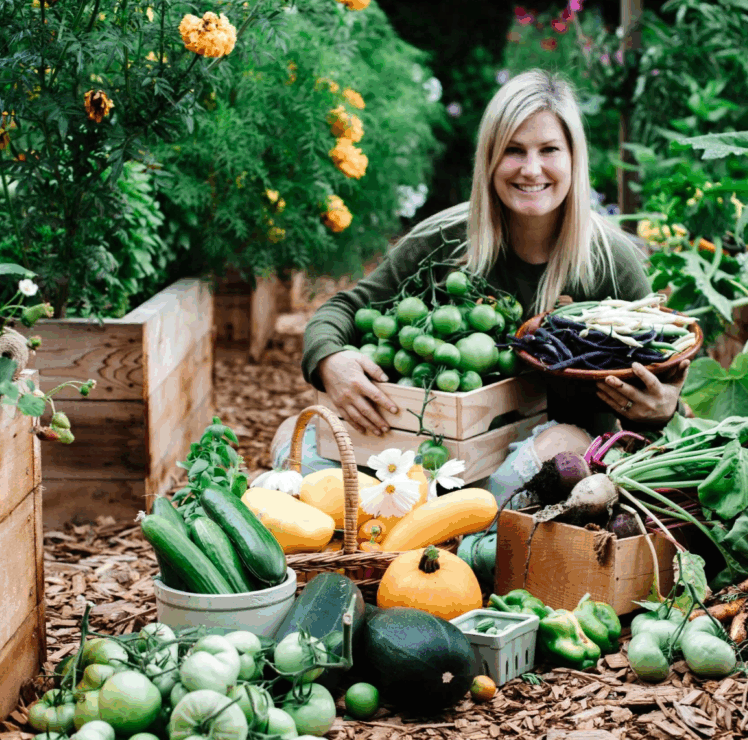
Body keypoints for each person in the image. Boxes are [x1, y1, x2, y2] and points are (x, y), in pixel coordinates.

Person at [278, 69, 690, 506]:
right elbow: (345, 308)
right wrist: (330, 359)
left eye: (549, 149)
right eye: (513, 150)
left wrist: (661, 411)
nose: (531, 169)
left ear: (574, 157)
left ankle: (472, 532)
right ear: (489, 158)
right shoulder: (445, 240)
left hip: (550, 477)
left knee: (562, 443)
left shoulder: (609, 261)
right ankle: (417, 518)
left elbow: (664, 389)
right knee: (292, 435)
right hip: (439, 453)